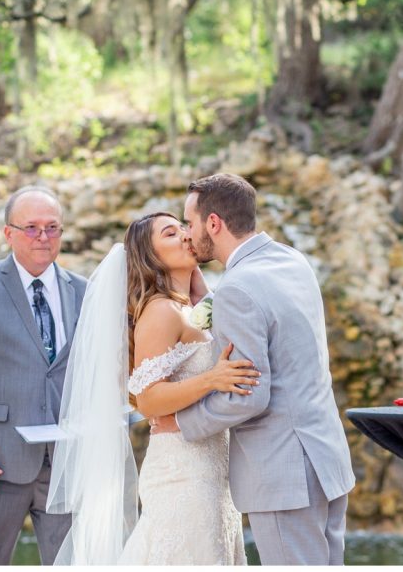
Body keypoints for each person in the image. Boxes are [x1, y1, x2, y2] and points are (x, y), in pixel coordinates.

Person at [160, 173, 356, 565]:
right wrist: (210, 300)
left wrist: (182, 423)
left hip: (284, 474)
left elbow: (249, 396)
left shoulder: (237, 289)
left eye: (190, 222)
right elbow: (269, 325)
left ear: (213, 223)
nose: (187, 232)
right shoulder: (290, 260)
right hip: (327, 460)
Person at [47, 211, 257, 564]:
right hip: (183, 471)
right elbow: (147, 399)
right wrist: (212, 379)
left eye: (184, 228)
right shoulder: (161, 311)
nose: (186, 236)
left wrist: (196, 280)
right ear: (152, 256)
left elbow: (211, 321)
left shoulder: (189, 306)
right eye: (171, 234)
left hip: (214, 468)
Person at [0, 187, 85, 565]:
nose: (43, 237)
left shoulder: (84, 291)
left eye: (52, 227)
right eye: (31, 227)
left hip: (64, 464)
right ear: (8, 233)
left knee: (71, 563)